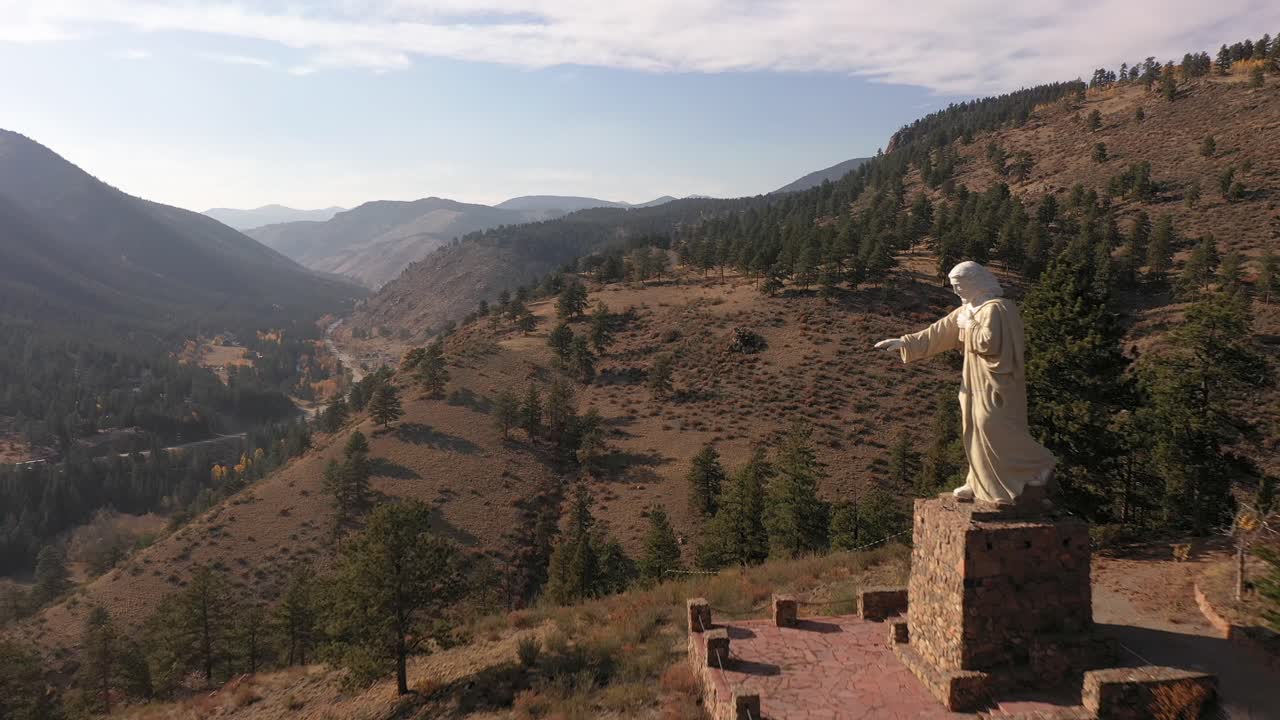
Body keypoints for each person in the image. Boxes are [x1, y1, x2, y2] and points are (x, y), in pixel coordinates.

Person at [875, 261, 1054, 504]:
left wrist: (969, 326)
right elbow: (938, 332)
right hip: (973, 382)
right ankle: (981, 482)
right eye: (954, 286)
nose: (956, 291)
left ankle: (1039, 463)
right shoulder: (968, 309)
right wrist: (904, 343)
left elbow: (989, 344)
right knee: (973, 427)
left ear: (975, 282)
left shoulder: (997, 308)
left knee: (992, 425)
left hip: (998, 384)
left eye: (959, 285)